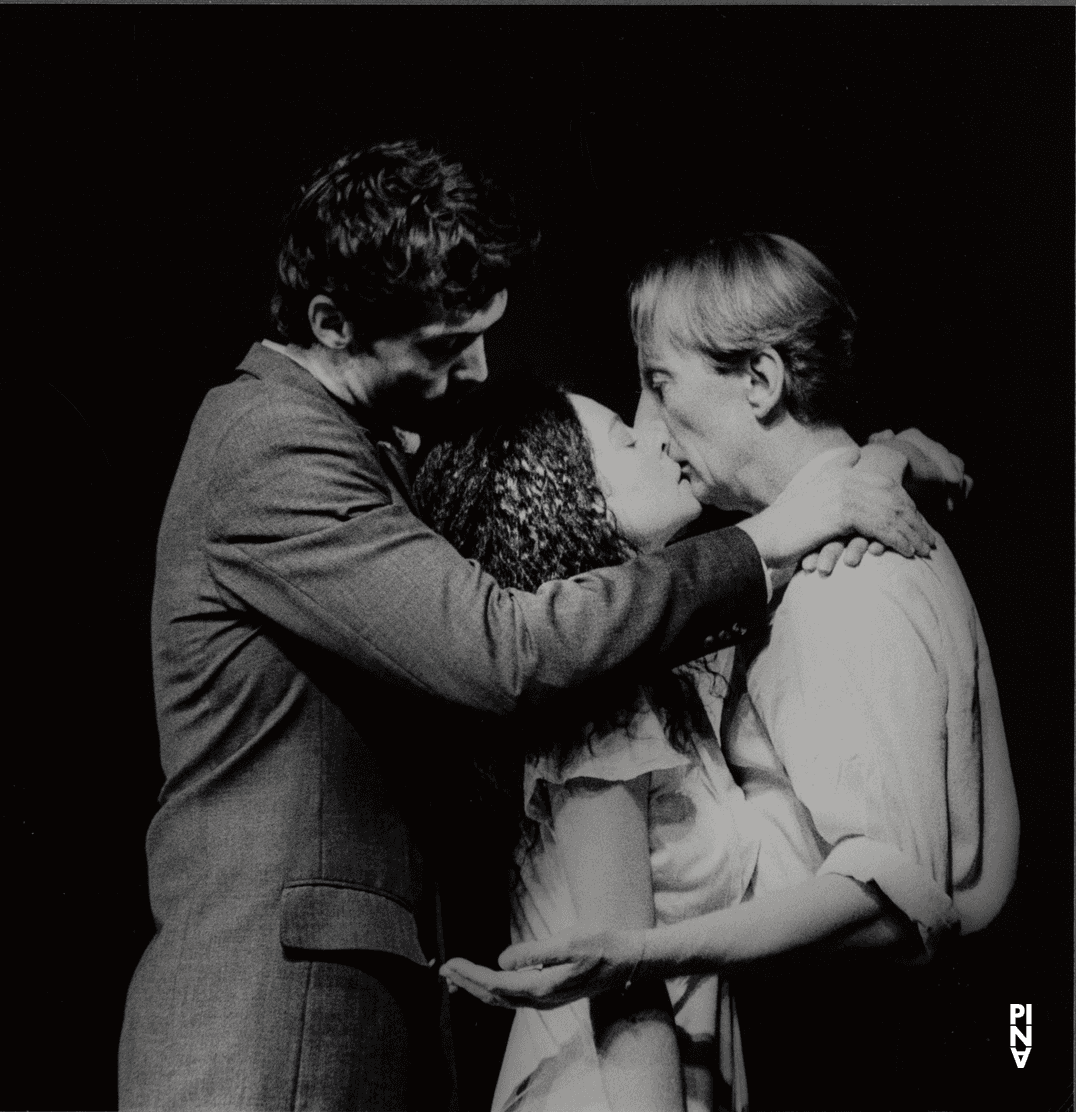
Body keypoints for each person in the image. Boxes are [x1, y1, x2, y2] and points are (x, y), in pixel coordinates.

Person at [118, 146, 931, 1111]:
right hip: (277, 1024)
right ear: (330, 325)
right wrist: (773, 534)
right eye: (444, 344)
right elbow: (503, 650)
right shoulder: (272, 445)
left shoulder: (360, 440)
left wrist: (878, 457)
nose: (478, 370)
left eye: (486, 332)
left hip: (347, 1010)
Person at [442, 233, 1018, 1109]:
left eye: (659, 384)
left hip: (871, 1048)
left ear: (761, 382)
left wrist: (887, 455)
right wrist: (883, 455)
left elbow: (897, 892)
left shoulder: (843, 579)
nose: (649, 425)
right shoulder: (648, 669)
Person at [415, 382, 766, 1112]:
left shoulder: (645, 685)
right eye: (624, 438)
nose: (659, 439)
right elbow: (624, 996)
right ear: (569, 494)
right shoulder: (600, 710)